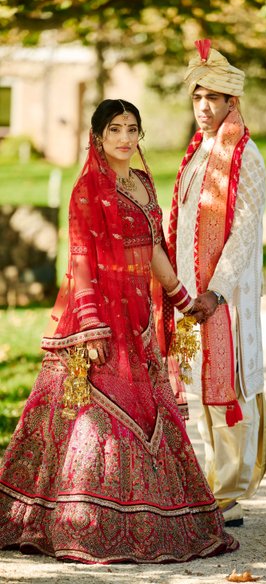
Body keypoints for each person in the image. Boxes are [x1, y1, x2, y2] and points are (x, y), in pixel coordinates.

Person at [0, 99, 239, 563]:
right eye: (115, 130)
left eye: (133, 129)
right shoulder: (89, 189)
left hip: (140, 322)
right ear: (98, 137)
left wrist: (181, 298)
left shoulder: (143, 184)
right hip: (100, 325)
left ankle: (156, 522)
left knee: (151, 415)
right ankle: (80, 521)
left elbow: (152, 247)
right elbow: (81, 259)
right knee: (94, 420)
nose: (125, 139)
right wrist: (91, 325)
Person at [167, 40, 266, 527]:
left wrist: (217, 291)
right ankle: (213, 483)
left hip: (219, 298)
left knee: (227, 388)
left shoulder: (245, 155)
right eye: (197, 98)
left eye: (213, 98)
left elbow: (245, 232)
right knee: (200, 386)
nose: (204, 108)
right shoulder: (197, 152)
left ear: (233, 102)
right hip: (188, 295)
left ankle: (228, 491)